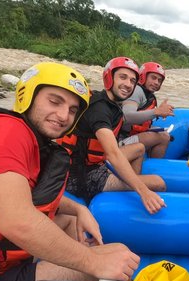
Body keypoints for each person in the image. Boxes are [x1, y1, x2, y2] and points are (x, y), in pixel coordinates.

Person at [0, 62, 140, 281]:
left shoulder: (34, 140)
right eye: (54, 101)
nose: (64, 116)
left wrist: (79, 209)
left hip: (4, 259)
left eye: (73, 110)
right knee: (109, 280)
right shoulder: (5, 131)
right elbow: (17, 221)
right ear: (27, 96)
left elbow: (22, 192)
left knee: (89, 235)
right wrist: (92, 262)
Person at [59, 57, 166, 214]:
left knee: (139, 148)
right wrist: (144, 191)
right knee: (158, 183)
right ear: (109, 78)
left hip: (96, 163)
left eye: (132, 80)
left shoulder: (112, 104)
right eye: (122, 77)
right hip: (81, 176)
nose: (128, 84)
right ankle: (131, 190)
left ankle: (126, 188)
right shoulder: (100, 110)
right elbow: (113, 153)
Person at [119, 62, 174, 158]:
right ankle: (153, 169)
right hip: (119, 140)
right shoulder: (136, 91)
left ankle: (151, 163)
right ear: (143, 76)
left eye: (159, 80)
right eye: (153, 78)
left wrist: (156, 114)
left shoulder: (148, 95)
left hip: (129, 136)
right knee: (164, 137)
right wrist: (156, 112)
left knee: (163, 133)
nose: (157, 82)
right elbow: (126, 116)